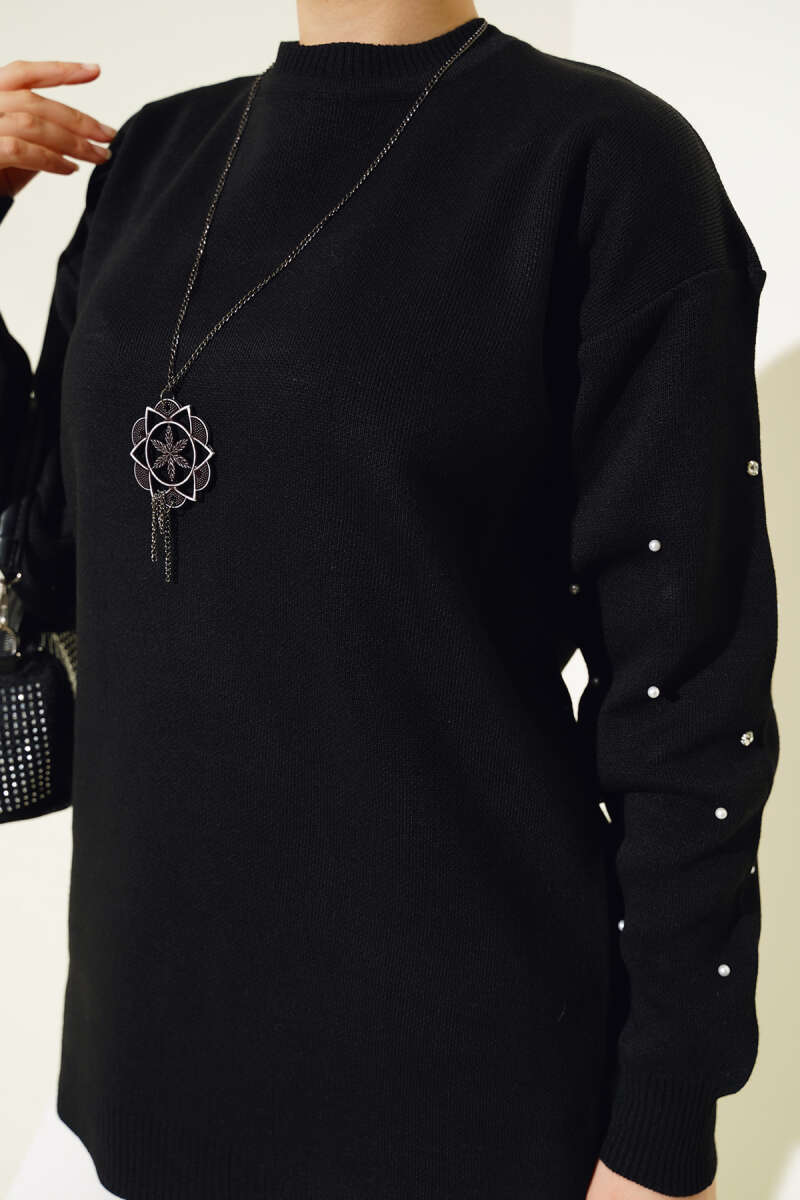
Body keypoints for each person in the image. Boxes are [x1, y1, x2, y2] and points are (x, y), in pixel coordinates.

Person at [0, 2, 779, 1198]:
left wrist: (665, 1119)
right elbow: (48, 543)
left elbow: (687, 678)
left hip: (462, 1089)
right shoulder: (154, 156)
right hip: (150, 1063)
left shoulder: (600, 156)